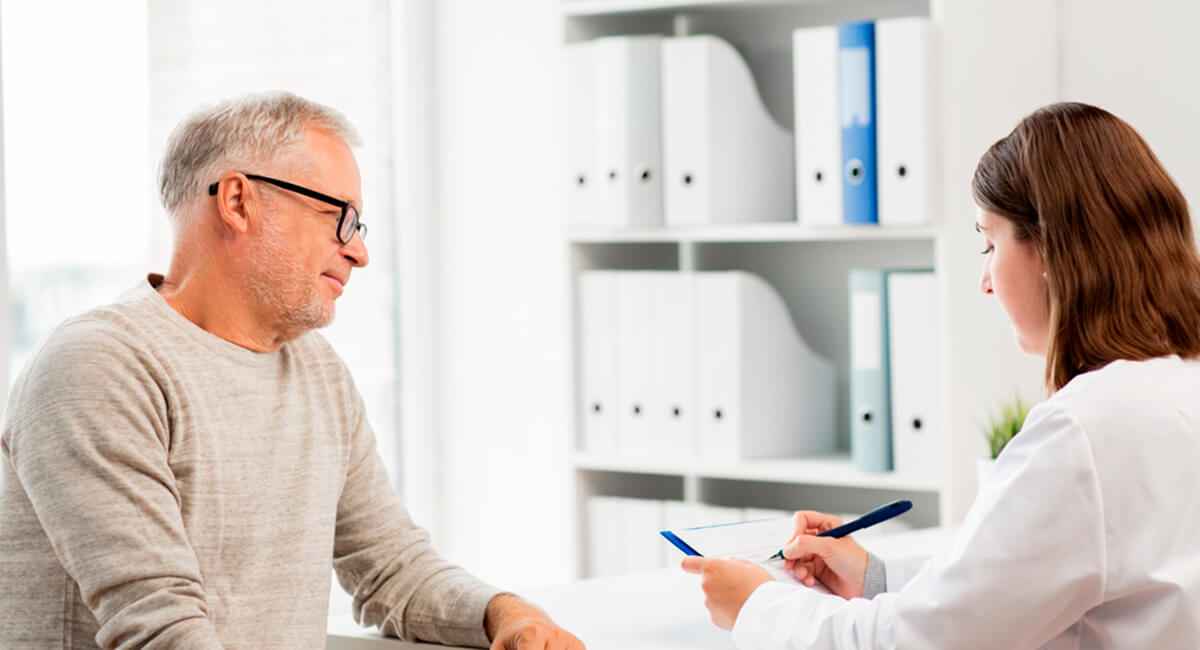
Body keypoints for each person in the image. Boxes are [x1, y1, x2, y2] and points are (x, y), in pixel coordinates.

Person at [0, 92, 584, 650]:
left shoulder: (317, 372)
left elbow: (392, 568)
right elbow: (157, 625)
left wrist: (506, 613)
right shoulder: (98, 367)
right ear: (238, 201)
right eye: (339, 217)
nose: (358, 252)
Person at [682, 102, 1200, 648]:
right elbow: (1023, 595)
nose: (986, 281)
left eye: (990, 243)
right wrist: (876, 580)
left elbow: (918, 643)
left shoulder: (1082, 434)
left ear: (1050, 247)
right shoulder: (1177, 391)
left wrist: (756, 606)